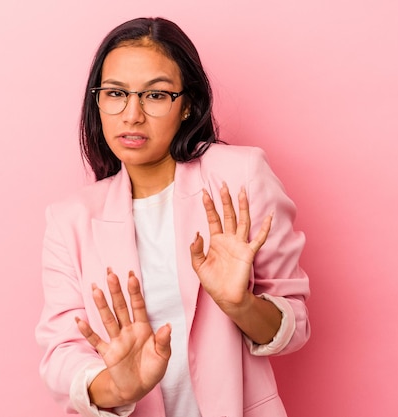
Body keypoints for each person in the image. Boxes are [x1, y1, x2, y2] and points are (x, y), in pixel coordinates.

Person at [35, 16, 311, 417]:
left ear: (188, 105)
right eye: (115, 93)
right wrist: (115, 385)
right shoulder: (69, 220)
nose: (131, 114)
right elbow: (61, 352)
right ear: (97, 101)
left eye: (156, 95)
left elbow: (296, 325)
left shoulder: (241, 176)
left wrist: (240, 304)